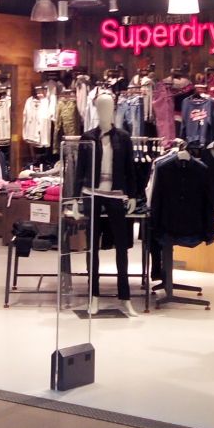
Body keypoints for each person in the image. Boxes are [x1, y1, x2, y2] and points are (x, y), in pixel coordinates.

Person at [78, 92, 139, 317]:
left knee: (122, 246)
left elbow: (130, 168)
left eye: (109, 107)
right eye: (101, 107)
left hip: (115, 194)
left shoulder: (123, 137)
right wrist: (75, 198)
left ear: (113, 109)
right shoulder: (88, 137)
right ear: (96, 109)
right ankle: (93, 296)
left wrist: (132, 195)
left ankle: (125, 297)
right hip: (92, 194)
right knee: (92, 246)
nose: (105, 111)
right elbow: (80, 169)